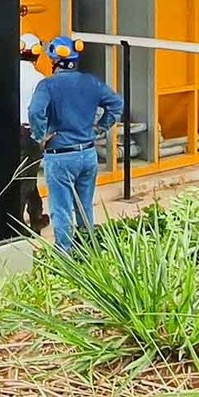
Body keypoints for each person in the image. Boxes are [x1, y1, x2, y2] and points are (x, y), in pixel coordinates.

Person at [27, 35, 124, 252]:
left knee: (61, 209)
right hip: (88, 154)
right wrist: (99, 128)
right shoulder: (91, 82)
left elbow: (35, 111)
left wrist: (40, 135)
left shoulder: (47, 85)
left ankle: (65, 255)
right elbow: (117, 104)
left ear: (53, 60)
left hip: (60, 156)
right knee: (84, 205)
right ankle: (88, 249)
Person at [15, 32, 50, 233]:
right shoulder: (39, 79)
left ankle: (36, 215)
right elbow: (41, 110)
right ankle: (18, 223)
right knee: (26, 178)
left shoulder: (8, 72)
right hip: (29, 132)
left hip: (9, 130)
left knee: (27, 175)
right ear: (36, 53)